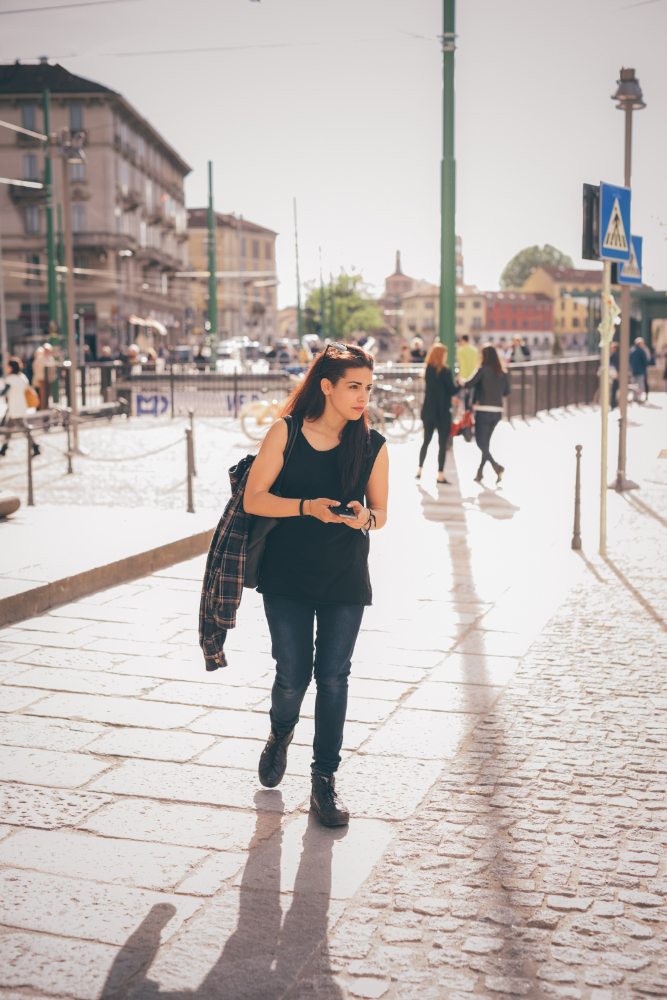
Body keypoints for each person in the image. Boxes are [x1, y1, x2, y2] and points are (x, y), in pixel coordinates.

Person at [243, 343, 388, 827]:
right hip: (286, 575)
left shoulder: (373, 445)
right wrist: (307, 506)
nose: (363, 396)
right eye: (353, 386)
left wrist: (365, 519)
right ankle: (280, 731)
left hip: (345, 576)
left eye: (368, 387)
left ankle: (323, 780)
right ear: (325, 386)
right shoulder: (284, 433)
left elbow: (382, 515)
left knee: (333, 677)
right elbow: (254, 499)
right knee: (292, 674)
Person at [462, 344, 509, 484]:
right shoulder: (503, 373)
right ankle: (480, 472)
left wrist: (461, 381)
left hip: (483, 410)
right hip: (497, 412)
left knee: (481, 443)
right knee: (485, 443)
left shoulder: (482, 370)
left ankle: (496, 466)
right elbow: (506, 392)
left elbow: (469, 384)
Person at [416, 343, 457, 485]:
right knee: (442, 445)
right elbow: (452, 390)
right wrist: (460, 384)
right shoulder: (445, 370)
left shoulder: (428, 370)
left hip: (428, 411)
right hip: (442, 412)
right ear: (441, 356)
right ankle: (440, 475)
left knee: (426, 441)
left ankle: (419, 471)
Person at [0, 357, 40, 457]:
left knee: (25, 429)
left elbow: (4, 392)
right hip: (20, 406)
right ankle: (4, 448)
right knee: (10, 428)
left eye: (8, 366)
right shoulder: (22, 377)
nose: (6, 368)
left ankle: (35, 446)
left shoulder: (10, 379)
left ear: (11, 367)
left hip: (15, 408)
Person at [456, 334, 479, 411]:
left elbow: (462, 364)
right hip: (473, 376)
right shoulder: (475, 350)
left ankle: (466, 414)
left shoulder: (460, 350)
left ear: (462, 340)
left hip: (463, 376)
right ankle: (470, 413)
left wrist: (460, 376)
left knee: (463, 398)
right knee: (471, 397)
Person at [610, 341, 620, 409]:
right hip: (620, 374)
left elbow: (609, 364)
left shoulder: (614, 355)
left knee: (614, 390)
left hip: (617, 374)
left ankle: (613, 404)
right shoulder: (620, 354)